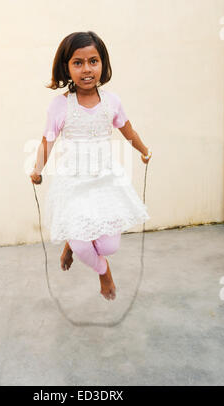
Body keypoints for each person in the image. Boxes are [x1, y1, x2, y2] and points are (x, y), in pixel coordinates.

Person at [30, 31, 152, 301]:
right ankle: (101, 270)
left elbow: (128, 131)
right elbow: (47, 142)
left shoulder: (112, 102)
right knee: (86, 247)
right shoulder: (60, 106)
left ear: (103, 64)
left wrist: (144, 150)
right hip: (73, 182)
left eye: (93, 61)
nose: (87, 69)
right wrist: (37, 169)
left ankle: (74, 243)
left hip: (104, 180)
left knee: (108, 246)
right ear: (66, 67)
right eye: (78, 62)